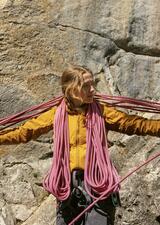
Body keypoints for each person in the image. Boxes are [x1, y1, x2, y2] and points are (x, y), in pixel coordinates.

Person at [0, 65, 160, 225]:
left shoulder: (102, 112)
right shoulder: (56, 114)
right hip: (67, 185)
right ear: (71, 89)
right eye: (86, 86)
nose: (93, 90)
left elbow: (135, 124)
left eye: (93, 84)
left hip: (97, 182)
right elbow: (24, 132)